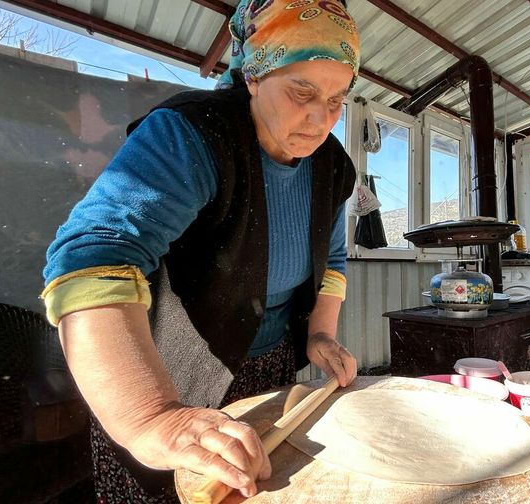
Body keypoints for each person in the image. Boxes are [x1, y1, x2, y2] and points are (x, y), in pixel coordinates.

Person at [40, 1, 361, 502]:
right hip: (163, 373)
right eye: (303, 90)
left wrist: (319, 335)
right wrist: (152, 417)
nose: (322, 119)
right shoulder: (194, 135)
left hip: (269, 362)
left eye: (338, 99)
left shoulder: (332, 166)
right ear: (255, 76)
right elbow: (93, 260)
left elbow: (333, 263)